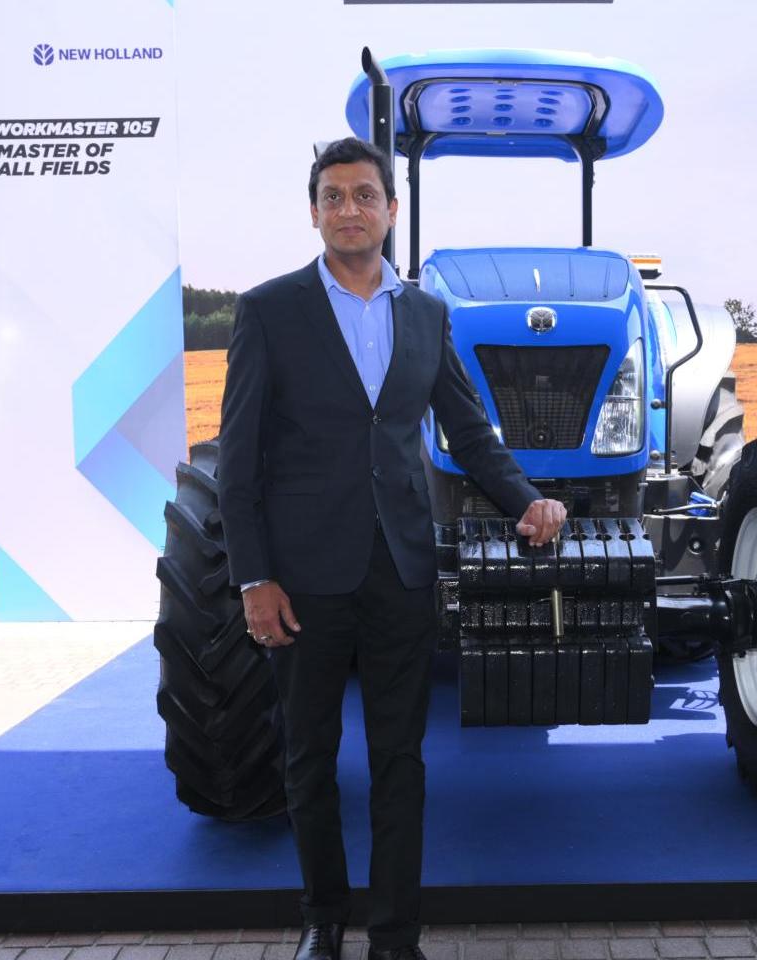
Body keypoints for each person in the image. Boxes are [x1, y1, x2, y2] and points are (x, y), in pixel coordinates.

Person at [217, 137, 566, 960]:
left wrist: (528, 499)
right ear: (314, 212)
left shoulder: (424, 314)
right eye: (333, 197)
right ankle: (323, 920)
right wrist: (254, 578)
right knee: (308, 758)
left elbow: (469, 430)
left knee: (399, 761)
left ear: (390, 210)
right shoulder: (268, 311)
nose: (349, 210)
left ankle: (395, 934)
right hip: (302, 577)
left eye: (364, 195)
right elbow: (238, 463)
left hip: (403, 571)